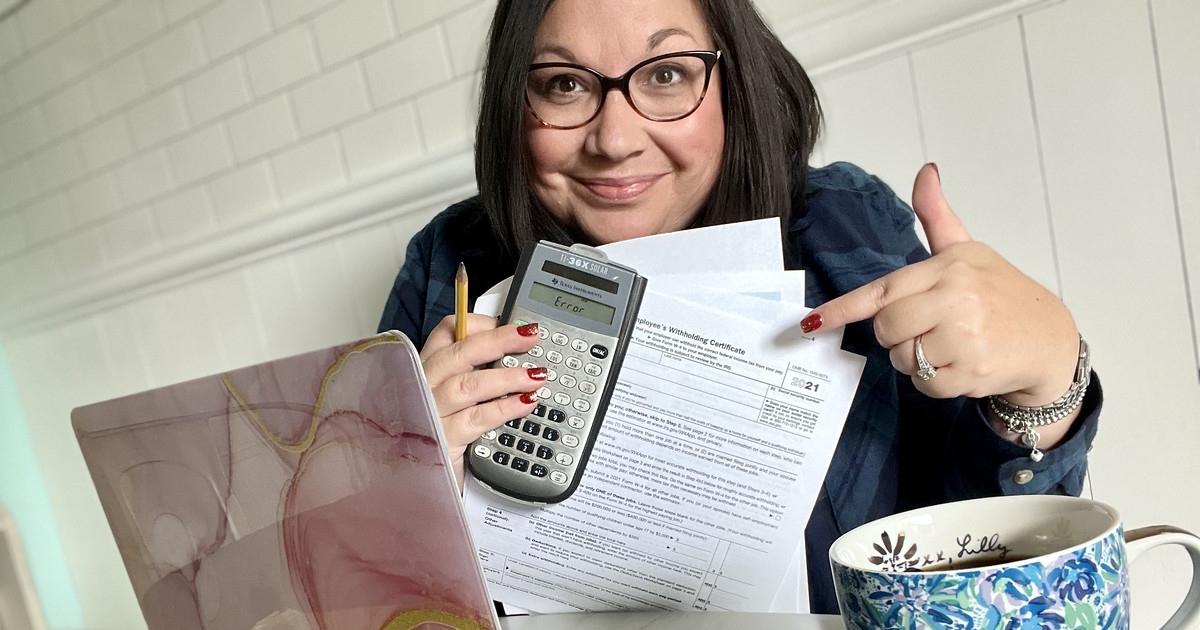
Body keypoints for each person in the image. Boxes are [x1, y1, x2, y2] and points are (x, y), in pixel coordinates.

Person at [378, 0, 1101, 614]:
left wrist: (1043, 386)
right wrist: (403, 489)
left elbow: (985, 568)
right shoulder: (448, 266)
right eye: (564, 84)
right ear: (515, 101)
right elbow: (363, 593)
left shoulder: (849, 231)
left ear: (734, 81)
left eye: (666, 75)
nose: (616, 140)